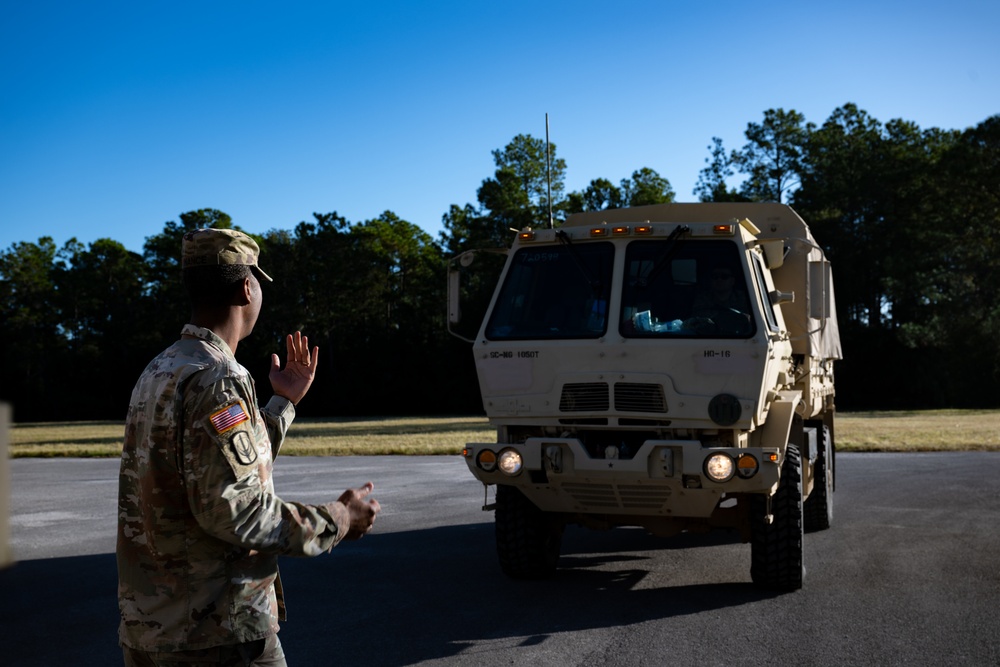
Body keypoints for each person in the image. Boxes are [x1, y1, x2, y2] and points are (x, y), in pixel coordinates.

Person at [117, 228, 380, 666]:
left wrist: (283, 403)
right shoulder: (219, 377)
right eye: (258, 281)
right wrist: (338, 518)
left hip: (153, 628)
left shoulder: (162, 368)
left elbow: (209, 468)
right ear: (245, 288)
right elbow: (235, 510)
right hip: (218, 632)